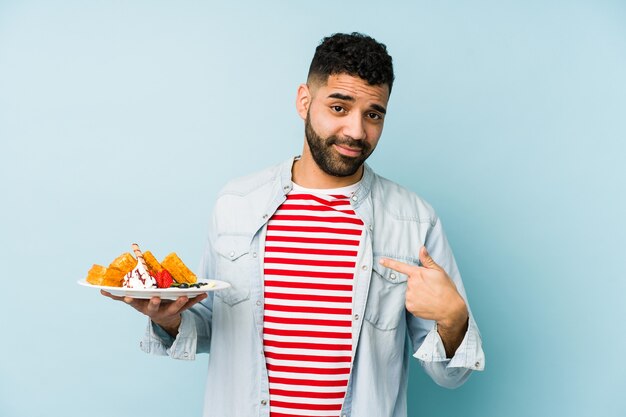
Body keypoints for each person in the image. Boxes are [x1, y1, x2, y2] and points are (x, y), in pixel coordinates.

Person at [103, 32, 484, 417]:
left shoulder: (414, 220)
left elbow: (451, 376)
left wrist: (454, 319)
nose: (356, 131)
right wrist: (170, 319)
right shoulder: (236, 204)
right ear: (305, 101)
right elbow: (217, 326)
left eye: (373, 114)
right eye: (339, 107)